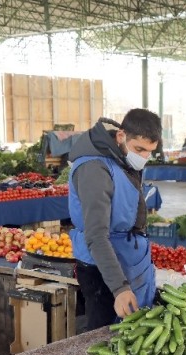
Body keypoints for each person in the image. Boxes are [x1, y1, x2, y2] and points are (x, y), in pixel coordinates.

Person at [68, 109, 161, 330]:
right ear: (121, 136)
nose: (144, 157)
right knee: (104, 336)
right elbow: (96, 236)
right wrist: (119, 288)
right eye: (139, 149)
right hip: (101, 268)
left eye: (150, 152)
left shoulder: (119, 157)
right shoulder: (94, 170)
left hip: (126, 257)